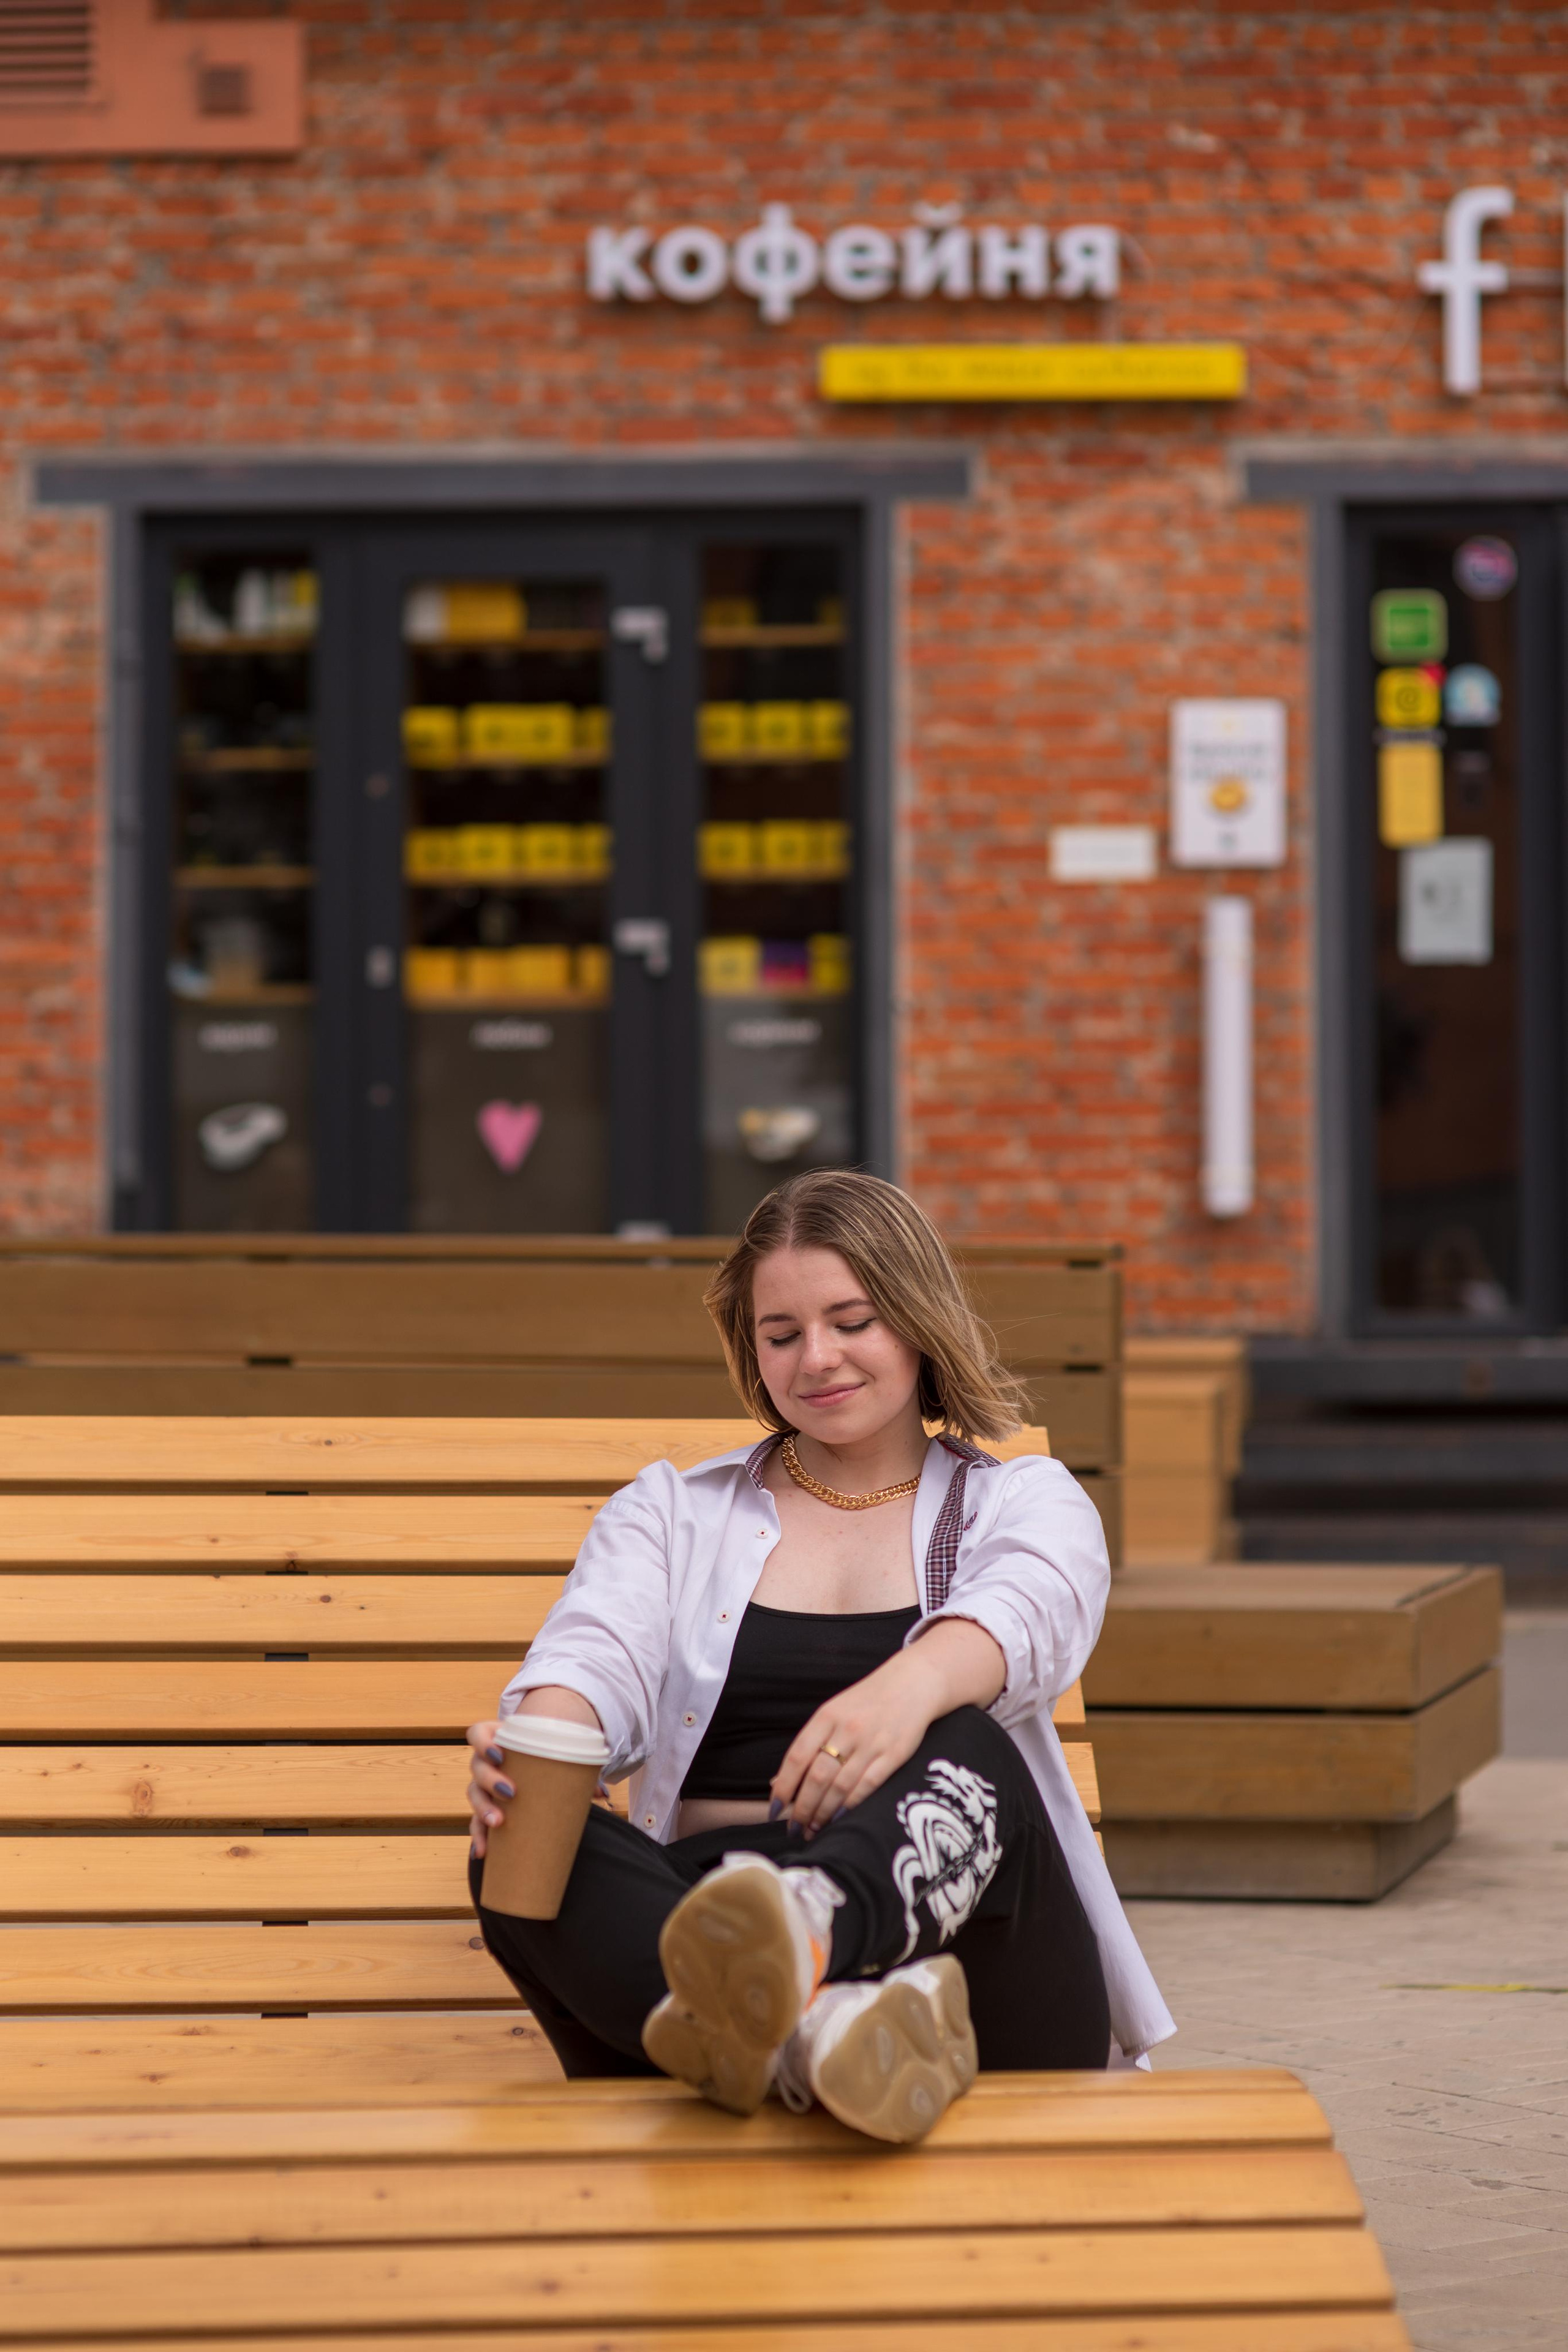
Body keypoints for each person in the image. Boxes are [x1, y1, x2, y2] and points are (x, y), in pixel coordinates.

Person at [467, 1170, 1173, 2142]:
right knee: (517, 1835)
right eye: (783, 1333)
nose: (818, 1359)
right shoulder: (675, 1512)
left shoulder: (1021, 1499)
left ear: (917, 1319)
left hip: (971, 1963)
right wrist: (541, 1741)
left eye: (853, 1320)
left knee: (969, 1738)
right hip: (716, 1924)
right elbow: (596, 1650)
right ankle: (816, 2035)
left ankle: (807, 1939)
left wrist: (906, 1691)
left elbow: (1031, 1609)